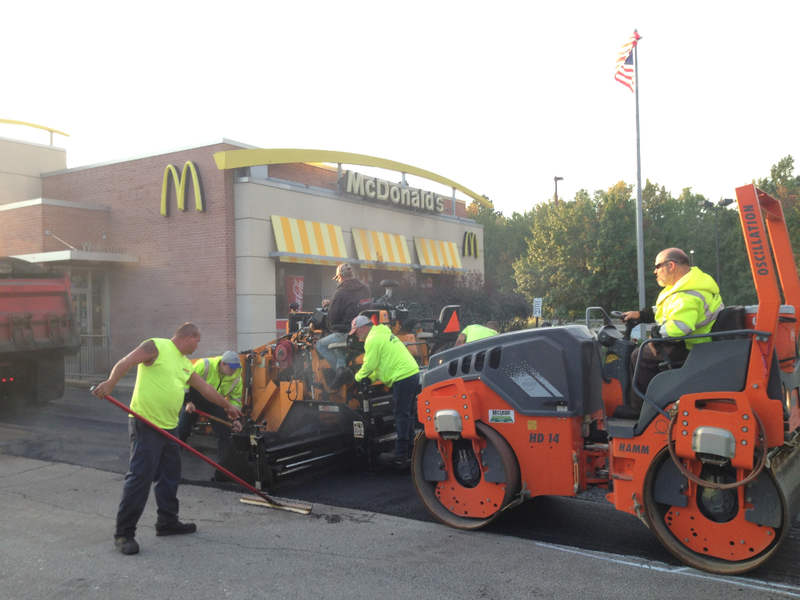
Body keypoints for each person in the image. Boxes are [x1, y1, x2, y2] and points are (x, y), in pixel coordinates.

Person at [92, 323, 243, 556]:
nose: (198, 345)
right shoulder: (156, 346)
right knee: (140, 478)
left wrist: (228, 407)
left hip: (169, 427)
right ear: (188, 336)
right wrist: (110, 383)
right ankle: (124, 534)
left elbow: (205, 389)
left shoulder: (185, 364)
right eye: (197, 340)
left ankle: (167, 522)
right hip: (146, 423)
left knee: (170, 475)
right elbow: (126, 361)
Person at [616, 248, 723, 419]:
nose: (655, 271)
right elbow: (667, 310)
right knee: (645, 350)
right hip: (695, 345)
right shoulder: (688, 285)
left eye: (658, 266)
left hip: (691, 348)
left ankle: (639, 409)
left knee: (639, 355)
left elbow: (679, 327)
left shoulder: (687, 295)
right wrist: (641, 315)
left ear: (671, 265)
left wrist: (655, 336)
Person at [350, 315, 420, 464]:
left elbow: (368, 365)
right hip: (412, 373)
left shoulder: (372, 339)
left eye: (356, 331)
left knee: (401, 414)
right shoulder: (383, 333)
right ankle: (410, 449)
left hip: (402, 376)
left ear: (363, 328)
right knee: (408, 414)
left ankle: (400, 452)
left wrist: (355, 378)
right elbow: (378, 365)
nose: (356, 334)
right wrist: (370, 379)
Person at [177, 350, 244, 461]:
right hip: (194, 401)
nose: (234, 371)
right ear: (223, 364)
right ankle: (171, 458)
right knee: (182, 429)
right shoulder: (204, 365)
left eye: (236, 368)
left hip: (214, 403)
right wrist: (188, 402)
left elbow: (235, 400)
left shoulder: (237, 379)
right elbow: (185, 382)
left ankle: (222, 465)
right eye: (231, 368)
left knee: (224, 433)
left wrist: (236, 419)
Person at [316, 263, 372, 388]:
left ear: (340, 277)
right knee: (339, 336)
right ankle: (341, 365)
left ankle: (343, 372)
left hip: (350, 334)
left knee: (321, 344)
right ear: (352, 275)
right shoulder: (365, 288)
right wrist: (332, 302)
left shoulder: (340, 293)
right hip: (366, 333)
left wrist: (333, 305)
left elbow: (332, 322)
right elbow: (354, 302)